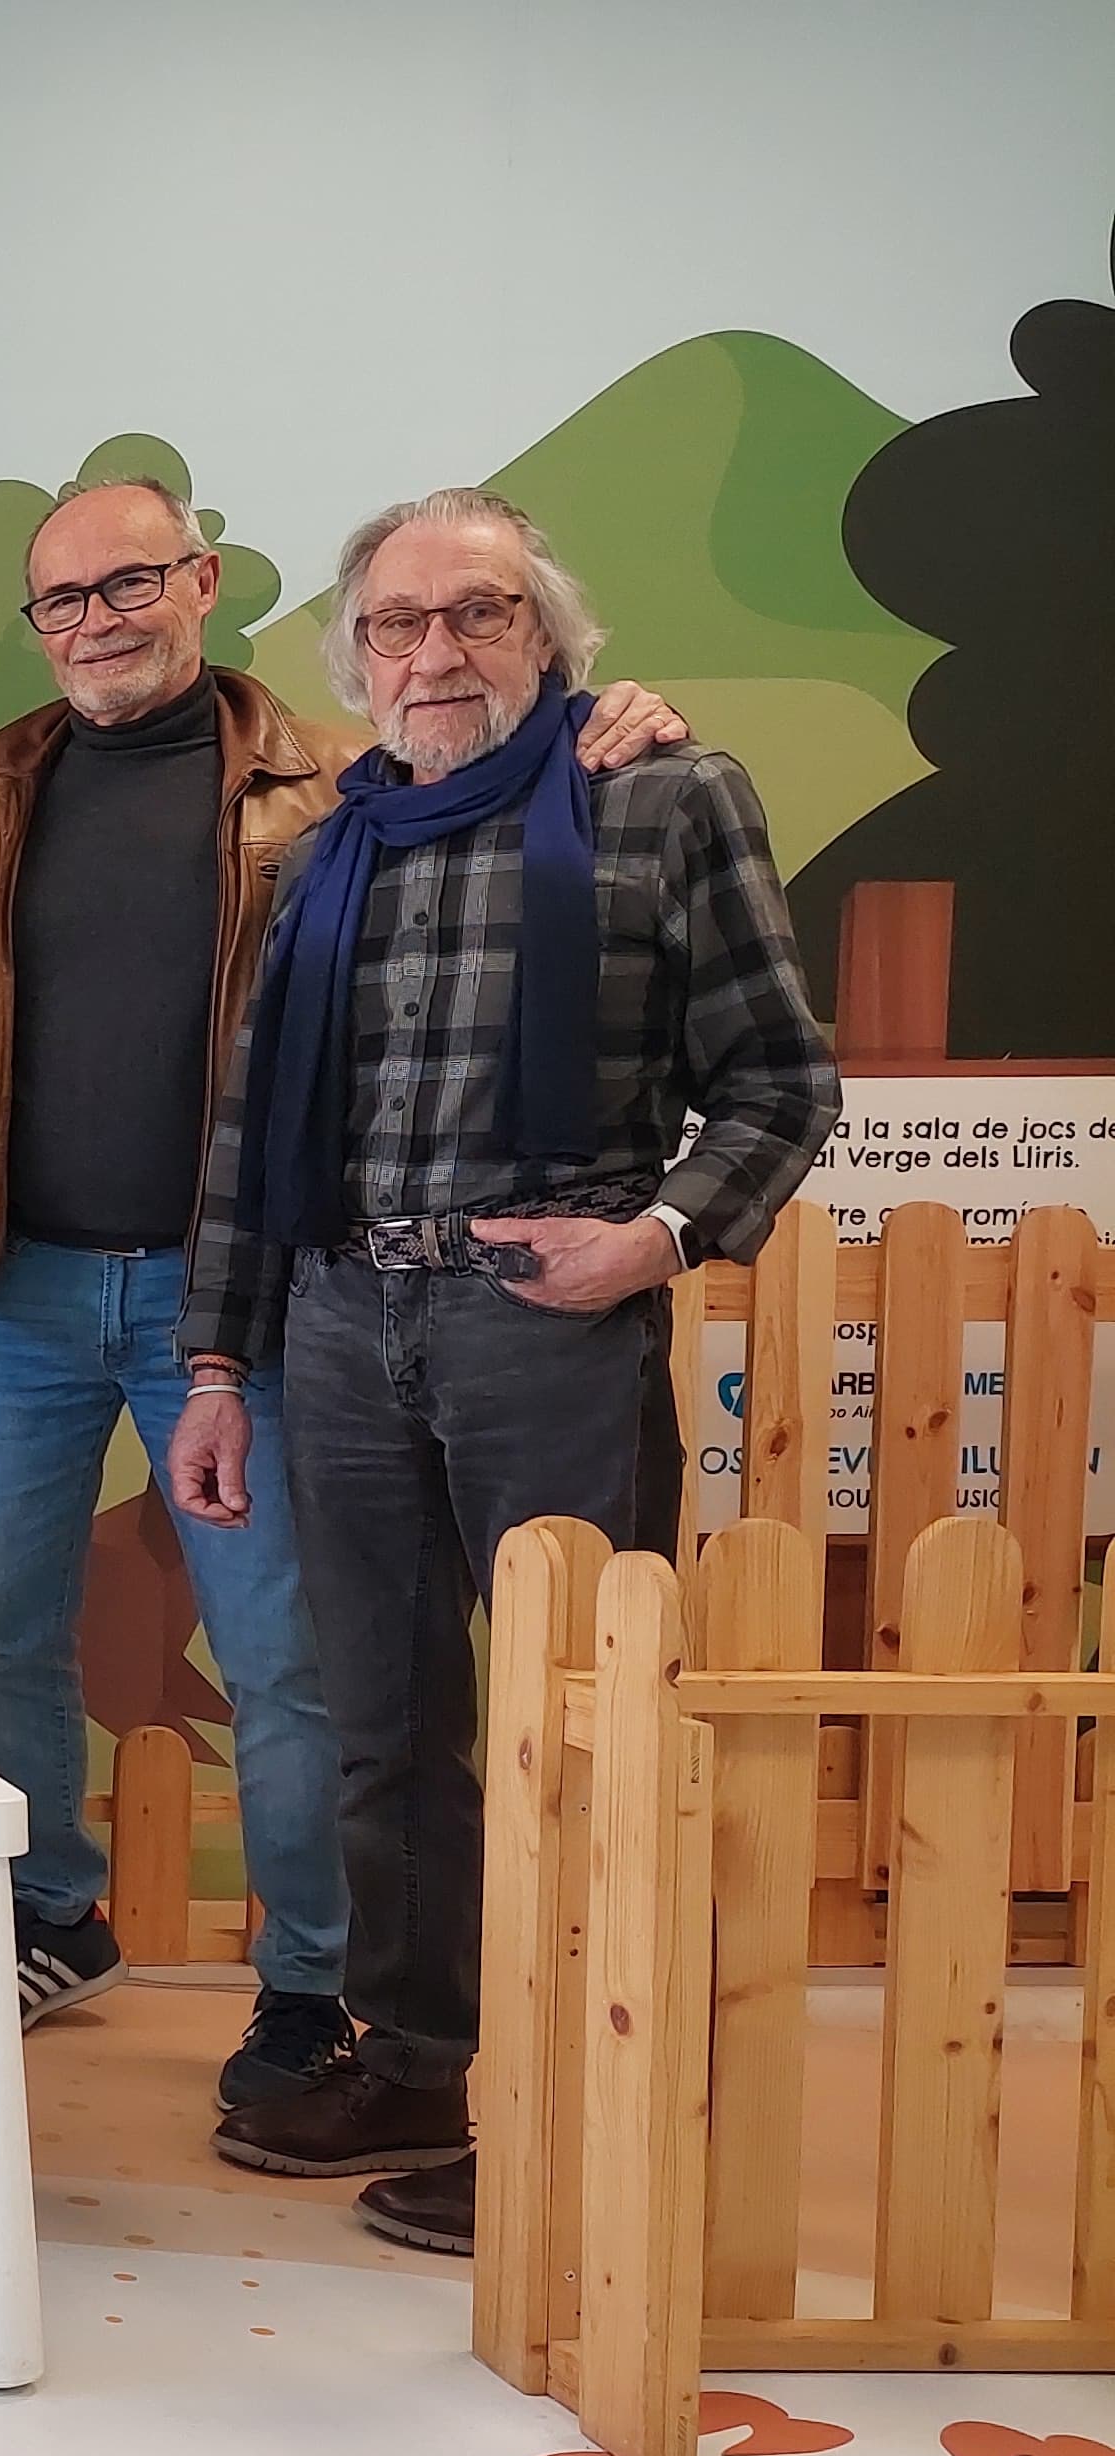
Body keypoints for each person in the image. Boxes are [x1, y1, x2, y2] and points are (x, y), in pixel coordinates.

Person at [0, 479, 688, 2107]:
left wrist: (620, 713)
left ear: (196, 583)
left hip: (233, 1298)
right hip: (20, 1287)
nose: (95, 620)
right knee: (16, 1632)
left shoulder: (325, 785)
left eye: (127, 583)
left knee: (285, 1657)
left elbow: (526, 767)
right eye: (60, 599)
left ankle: (310, 1982)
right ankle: (51, 1911)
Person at [168, 489, 836, 2254]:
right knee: (381, 1726)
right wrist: (218, 1361)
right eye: (395, 624)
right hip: (331, 1321)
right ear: (354, 657)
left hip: (535, 1321)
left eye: (474, 613)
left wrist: (652, 1240)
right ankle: (418, 2052)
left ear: (544, 634)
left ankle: (583, 2090)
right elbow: (247, 1131)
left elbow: (778, 1080)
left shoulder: (661, 800)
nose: (433, 650)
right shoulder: (326, 853)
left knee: (579, 1726)